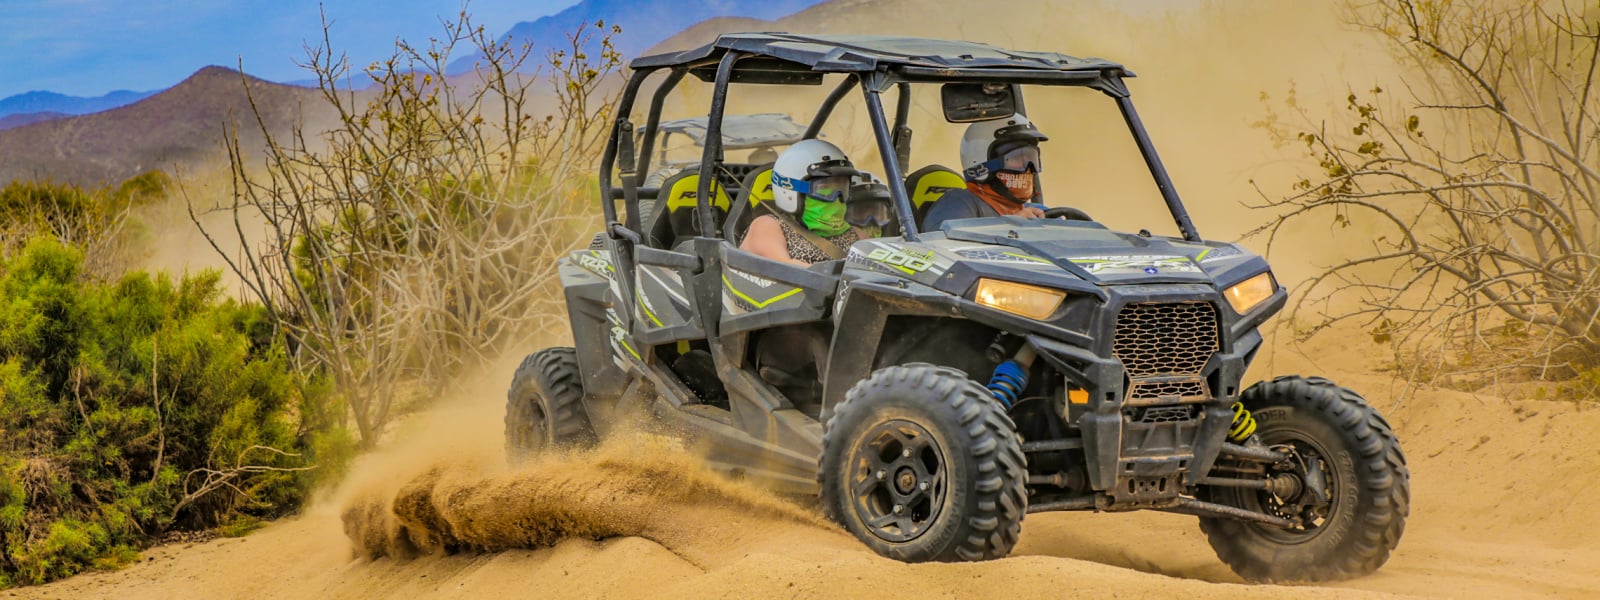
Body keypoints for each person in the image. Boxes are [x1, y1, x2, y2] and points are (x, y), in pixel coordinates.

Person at [739, 139, 890, 265]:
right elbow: (787, 269)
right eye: (824, 189)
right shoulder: (768, 226)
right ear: (790, 190)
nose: (836, 197)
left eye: (841, 188)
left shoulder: (857, 235)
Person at [922, 114, 1050, 230]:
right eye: (1016, 158)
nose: (1028, 167)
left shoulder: (1037, 212)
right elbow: (944, 250)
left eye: (1031, 158)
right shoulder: (957, 203)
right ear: (981, 162)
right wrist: (1010, 228)